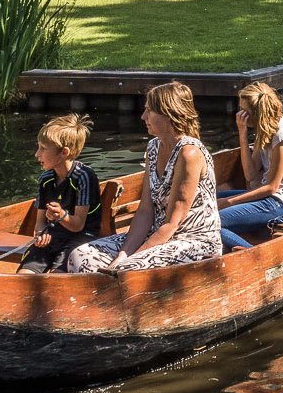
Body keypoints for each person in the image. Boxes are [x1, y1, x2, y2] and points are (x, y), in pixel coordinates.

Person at [67, 82, 221, 273]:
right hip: (156, 234)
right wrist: (123, 254)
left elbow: (173, 223)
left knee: (128, 269)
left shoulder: (189, 153)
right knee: (80, 255)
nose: (143, 116)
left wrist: (130, 260)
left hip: (193, 241)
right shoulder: (153, 147)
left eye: (149, 111)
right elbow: (145, 211)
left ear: (169, 113)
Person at [218, 82, 283, 251]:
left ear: (257, 114)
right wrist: (243, 134)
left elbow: (272, 187)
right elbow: (251, 176)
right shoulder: (265, 132)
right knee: (210, 200)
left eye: (244, 111)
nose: (240, 114)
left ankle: (251, 255)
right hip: (268, 198)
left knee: (212, 223)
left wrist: (228, 202)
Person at [20, 113, 100, 274]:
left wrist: (61, 215)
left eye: (43, 149)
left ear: (64, 152)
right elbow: (40, 223)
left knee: (59, 276)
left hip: (81, 238)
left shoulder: (84, 177)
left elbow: (78, 225)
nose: (37, 154)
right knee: (24, 276)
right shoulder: (46, 179)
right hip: (54, 238)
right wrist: (40, 234)